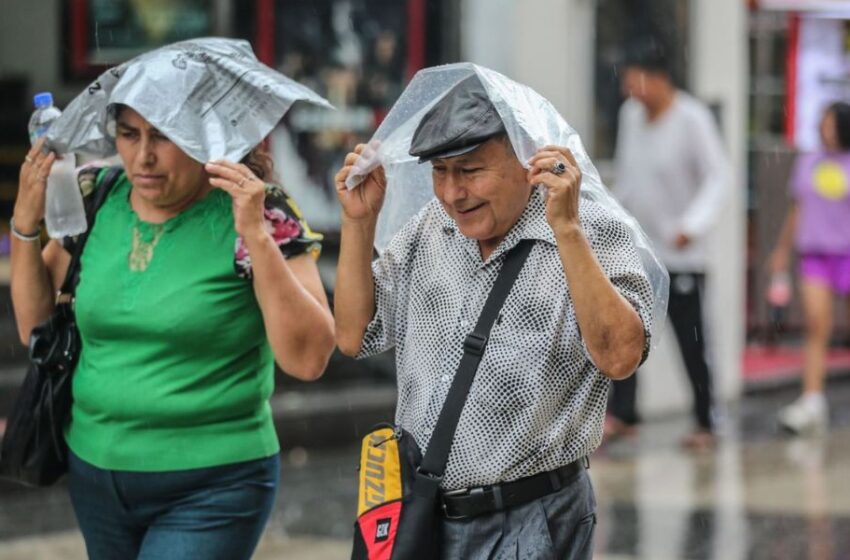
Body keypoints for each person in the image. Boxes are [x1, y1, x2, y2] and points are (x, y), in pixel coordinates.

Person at [334, 73, 655, 558]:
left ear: (527, 159)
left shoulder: (589, 230)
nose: (451, 193)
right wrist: (359, 223)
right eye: (440, 171)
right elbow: (353, 335)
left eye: (470, 170)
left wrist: (566, 229)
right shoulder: (431, 229)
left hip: (534, 519)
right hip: (426, 516)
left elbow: (620, 357)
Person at [10, 103, 335, 558]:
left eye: (162, 137)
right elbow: (35, 326)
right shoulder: (96, 193)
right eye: (129, 134)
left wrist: (257, 237)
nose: (143, 156)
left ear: (204, 138)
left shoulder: (259, 209)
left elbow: (308, 358)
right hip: (94, 473)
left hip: (213, 481)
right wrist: (25, 225)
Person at [608, 44, 730, 450]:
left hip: (682, 255)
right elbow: (628, 176)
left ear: (659, 78)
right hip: (639, 250)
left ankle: (705, 419)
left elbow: (719, 177)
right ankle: (625, 412)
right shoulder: (631, 118)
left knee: (691, 339)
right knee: (628, 330)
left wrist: (691, 225)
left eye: (635, 81)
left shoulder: (691, 118)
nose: (631, 92)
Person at [769, 101, 850, 435]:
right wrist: (781, 250)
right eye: (822, 122)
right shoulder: (807, 163)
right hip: (814, 254)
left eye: (830, 123)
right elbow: (797, 210)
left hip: (846, 252)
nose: (824, 128)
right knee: (816, 326)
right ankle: (812, 398)